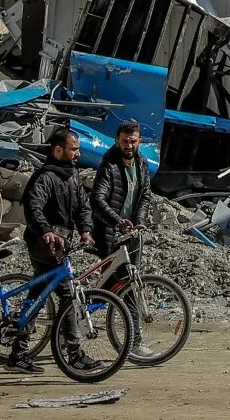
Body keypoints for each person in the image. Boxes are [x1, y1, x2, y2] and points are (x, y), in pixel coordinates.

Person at [11, 127, 97, 375]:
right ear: (58, 150)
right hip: (45, 245)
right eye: (73, 149)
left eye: (78, 148)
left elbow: (83, 208)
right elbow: (33, 208)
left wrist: (85, 230)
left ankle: (19, 350)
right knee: (68, 296)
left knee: (38, 295)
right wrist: (46, 230)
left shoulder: (72, 176)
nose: (78, 153)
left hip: (61, 243)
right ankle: (73, 353)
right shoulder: (44, 177)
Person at [89, 120, 153, 358]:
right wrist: (117, 221)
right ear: (117, 140)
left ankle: (73, 322)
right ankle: (134, 342)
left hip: (132, 235)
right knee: (123, 286)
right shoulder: (109, 166)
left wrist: (140, 221)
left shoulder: (142, 163)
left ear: (139, 141)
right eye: (125, 141)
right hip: (110, 234)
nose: (129, 145)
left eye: (133, 141)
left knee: (121, 286)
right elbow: (98, 200)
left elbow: (145, 196)